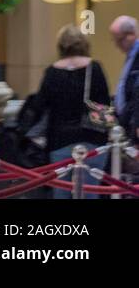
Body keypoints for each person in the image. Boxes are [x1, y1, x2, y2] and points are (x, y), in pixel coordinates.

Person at [31, 25, 110, 198]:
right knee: (91, 192)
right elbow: (104, 104)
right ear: (84, 44)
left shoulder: (52, 72)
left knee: (61, 191)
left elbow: (40, 106)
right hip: (92, 139)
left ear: (60, 46)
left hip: (59, 140)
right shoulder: (94, 68)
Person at [110, 15, 139, 144]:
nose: (116, 45)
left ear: (131, 35)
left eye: (119, 40)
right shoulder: (131, 55)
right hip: (127, 124)